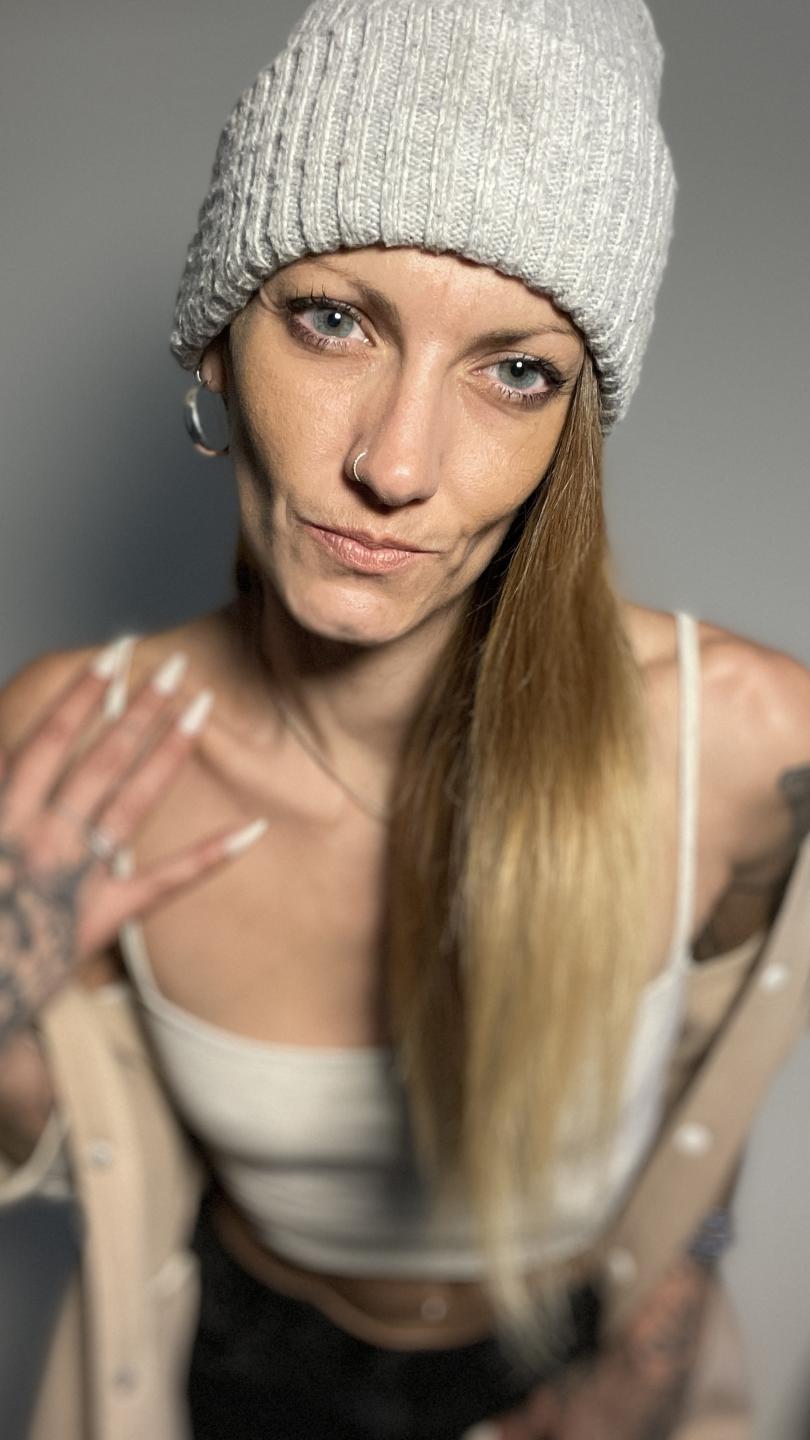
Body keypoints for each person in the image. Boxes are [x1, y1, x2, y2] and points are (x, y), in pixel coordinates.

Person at [1, 0, 809, 1436]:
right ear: (215, 342)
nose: (395, 462)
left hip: (569, 1372)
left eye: (515, 370)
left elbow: (715, 1089)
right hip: (229, 1373)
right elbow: (75, 1146)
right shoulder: (76, 747)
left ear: (571, 424)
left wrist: (656, 1341)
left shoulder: (744, 746)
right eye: (333, 320)